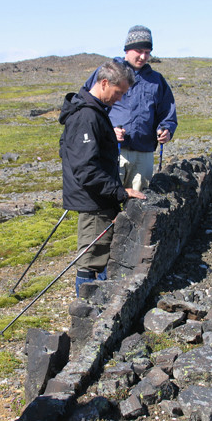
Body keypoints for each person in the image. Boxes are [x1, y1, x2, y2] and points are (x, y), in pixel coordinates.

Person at [59, 60, 146, 297]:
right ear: (104, 83)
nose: (119, 99)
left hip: (98, 197)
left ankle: (96, 307)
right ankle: (88, 310)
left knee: (98, 255)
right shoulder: (86, 116)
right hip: (94, 201)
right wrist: (119, 192)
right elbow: (85, 168)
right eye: (118, 92)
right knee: (91, 260)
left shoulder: (93, 111)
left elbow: (70, 151)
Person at [84, 25, 178, 191]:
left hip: (144, 153)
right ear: (127, 49)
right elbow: (88, 104)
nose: (143, 56)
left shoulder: (157, 80)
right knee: (107, 197)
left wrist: (166, 129)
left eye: (147, 52)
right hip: (112, 150)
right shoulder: (107, 72)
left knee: (141, 200)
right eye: (139, 51)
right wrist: (108, 131)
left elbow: (167, 113)